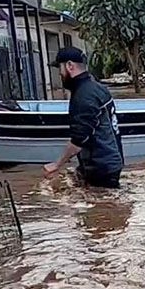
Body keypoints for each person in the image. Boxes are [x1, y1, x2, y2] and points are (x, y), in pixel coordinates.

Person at [43, 47, 124, 188]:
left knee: (102, 208)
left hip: (101, 168)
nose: (60, 74)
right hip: (110, 162)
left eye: (60, 68)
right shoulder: (97, 88)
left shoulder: (84, 96)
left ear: (69, 66)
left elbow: (78, 141)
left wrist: (56, 165)